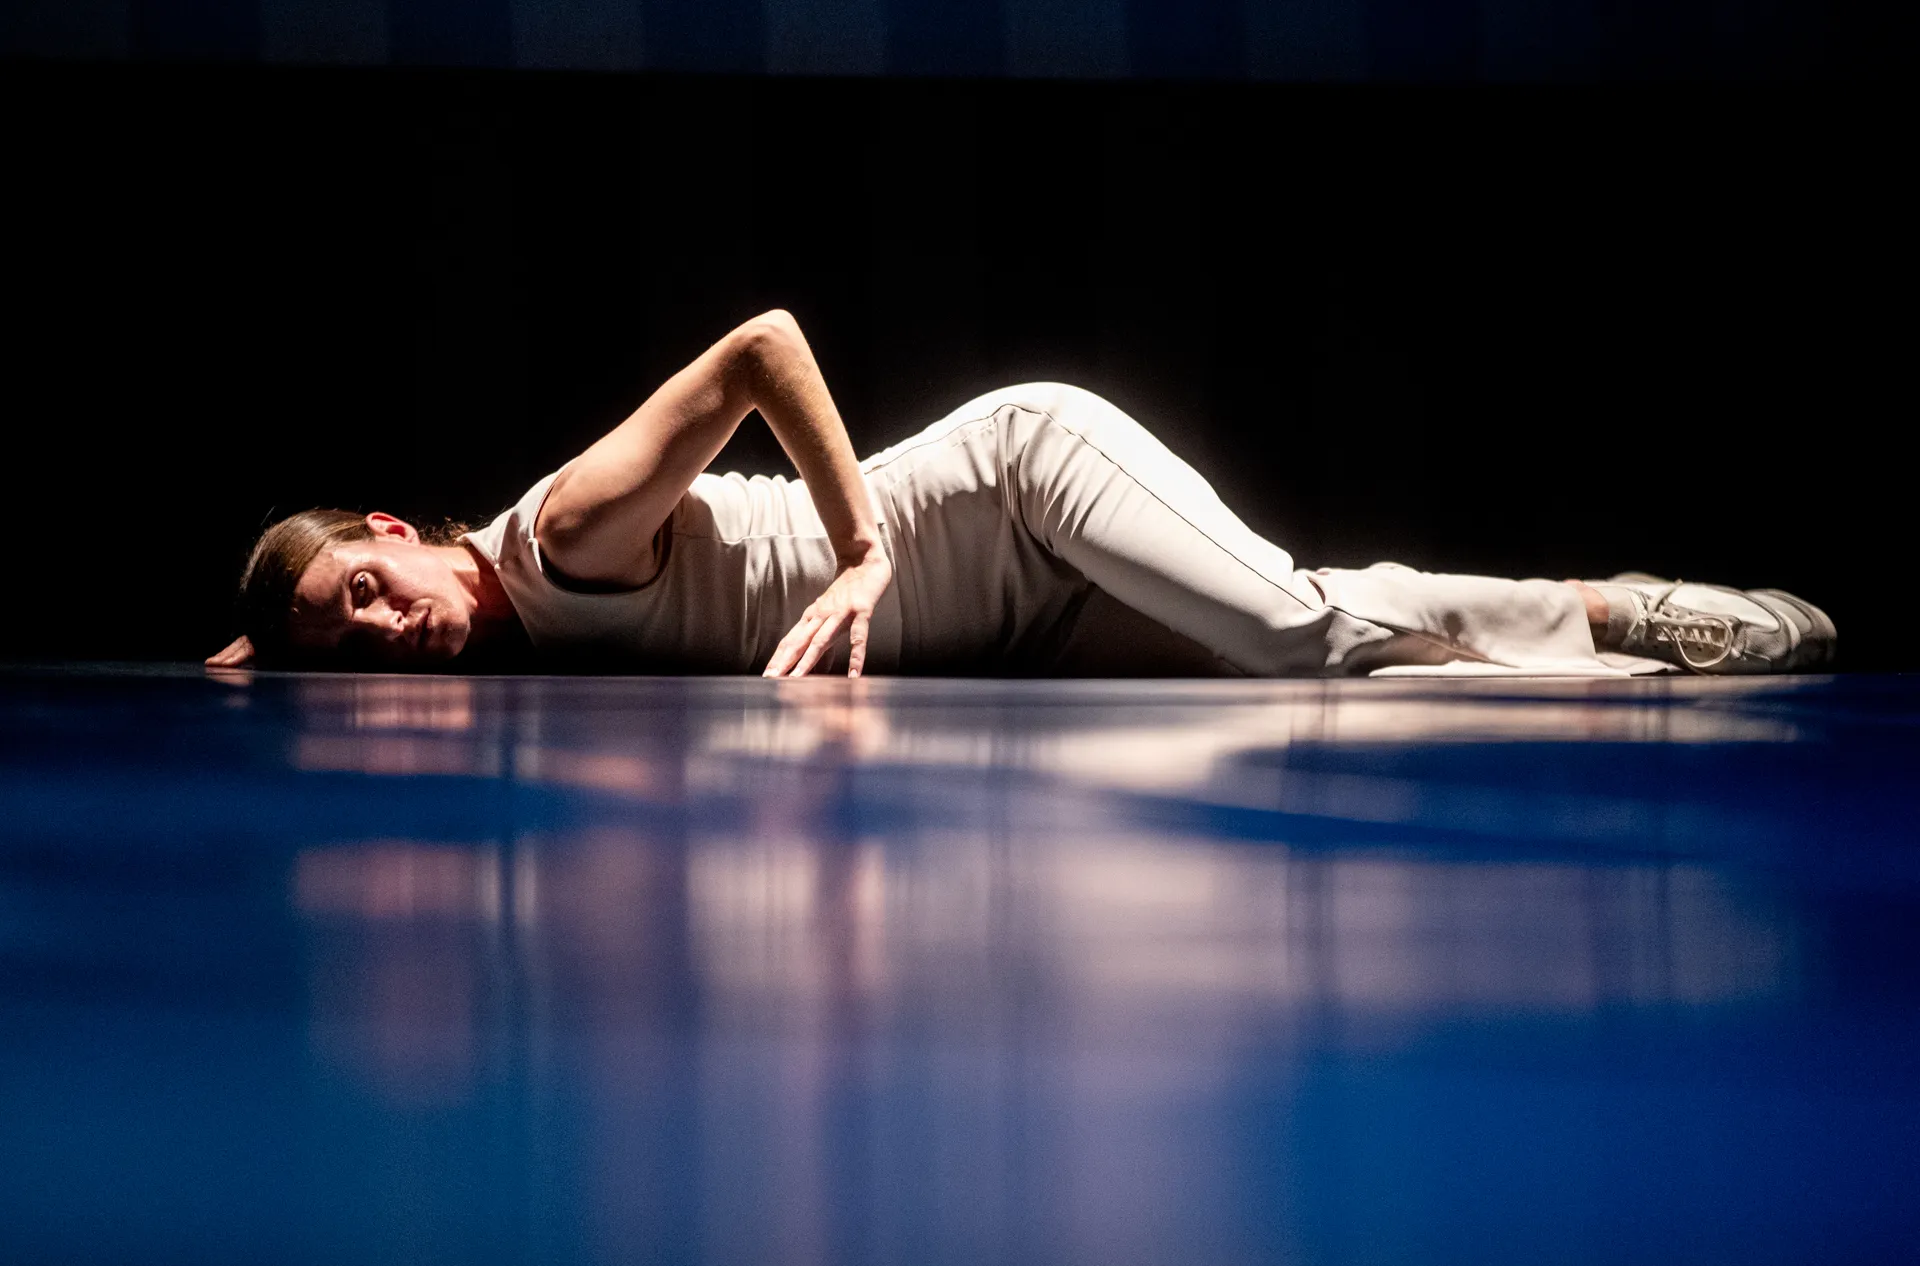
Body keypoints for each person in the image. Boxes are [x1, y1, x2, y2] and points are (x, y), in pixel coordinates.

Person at [206, 311, 1834, 679]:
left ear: (398, 529)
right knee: (1319, 617)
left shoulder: (559, 532)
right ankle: (1613, 603)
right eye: (353, 647)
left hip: (1018, 491)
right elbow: (292, 646)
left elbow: (764, 344)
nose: (387, 633)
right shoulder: (493, 644)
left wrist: (859, 555)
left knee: (1303, 649)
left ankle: (1657, 676)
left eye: (367, 591)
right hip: (1013, 625)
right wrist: (264, 656)